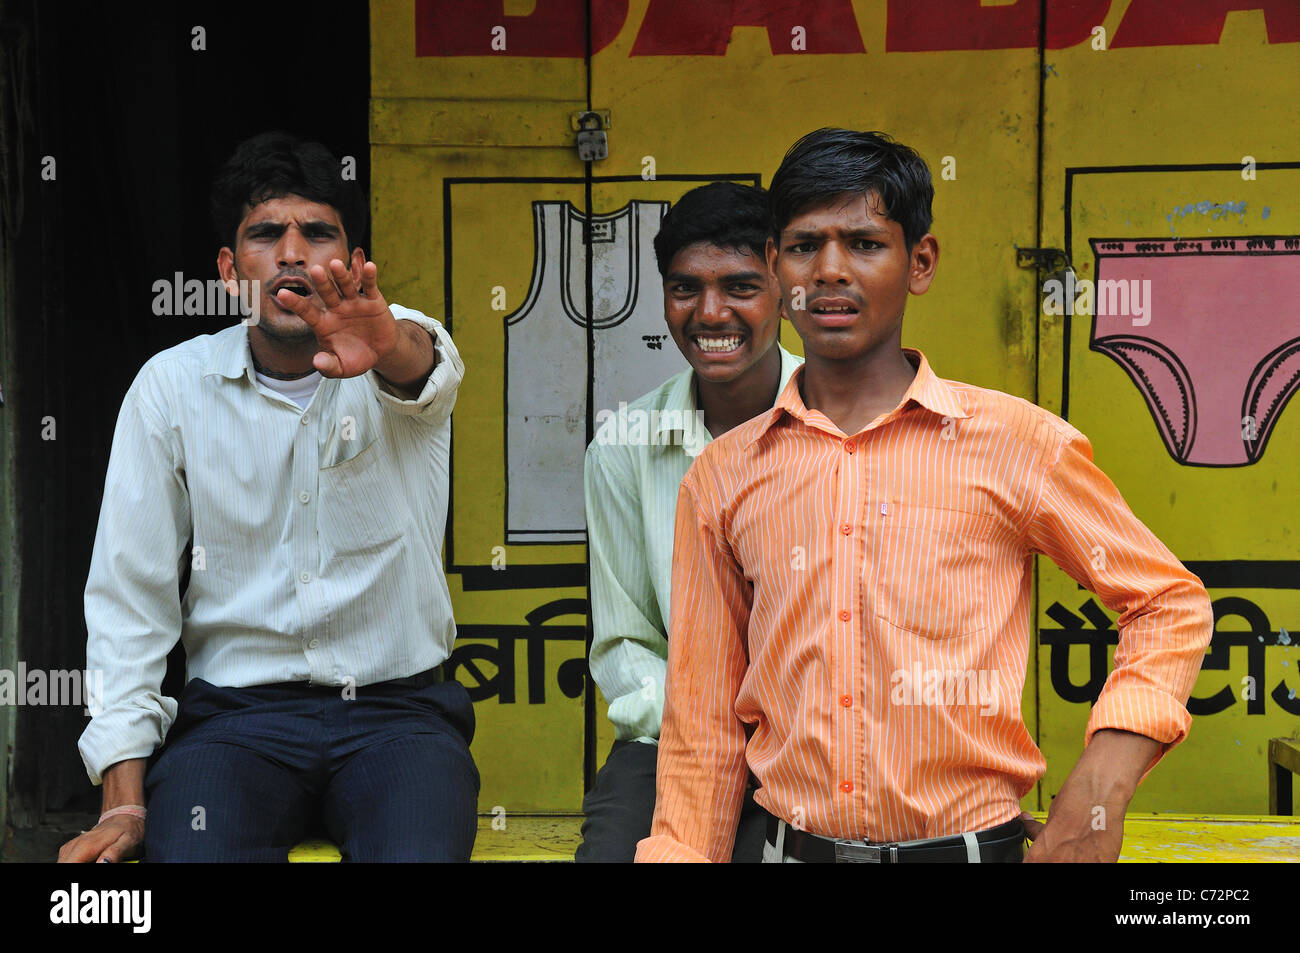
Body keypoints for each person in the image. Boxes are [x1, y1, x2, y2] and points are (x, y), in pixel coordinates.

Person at [636, 129, 1213, 864]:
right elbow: (703, 726)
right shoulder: (723, 475)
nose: (832, 270)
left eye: (865, 243)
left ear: (921, 262)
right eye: (805, 245)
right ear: (777, 270)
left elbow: (1167, 603)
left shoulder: (1017, 444)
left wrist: (1097, 793)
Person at [58, 131, 477, 863]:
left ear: (351, 261)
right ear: (229, 269)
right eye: (265, 234)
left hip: (398, 716)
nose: (293, 254)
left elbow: (422, 368)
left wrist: (385, 344)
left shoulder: (398, 350)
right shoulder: (171, 386)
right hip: (234, 723)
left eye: (318, 233)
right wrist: (123, 801)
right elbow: (130, 603)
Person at [578, 182, 803, 862]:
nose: (711, 313)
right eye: (685, 288)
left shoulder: (842, 428)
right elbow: (625, 642)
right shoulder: (624, 444)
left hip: (813, 743)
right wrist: (699, 728)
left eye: (740, 286)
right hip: (668, 740)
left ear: (785, 292)